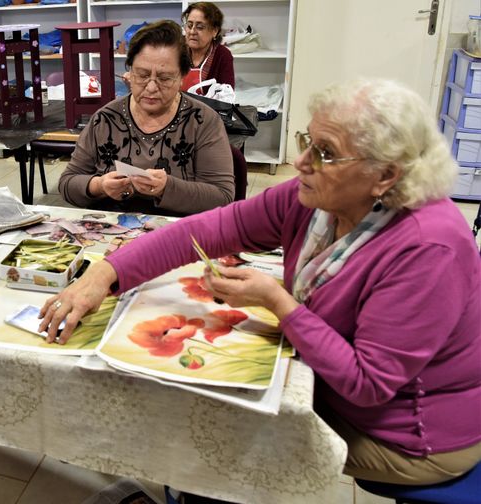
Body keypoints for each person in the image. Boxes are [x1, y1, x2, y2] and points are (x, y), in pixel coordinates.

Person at [41, 78, 481, 487]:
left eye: (325, 153)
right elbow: (207, 230)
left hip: (406, 432)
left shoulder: (428, 248)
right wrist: (105, 272)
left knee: (214, 437)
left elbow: (367, 383)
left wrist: (278, 302)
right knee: (197, 407)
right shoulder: (316, 197)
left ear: (385, 175)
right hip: (329, 384)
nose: (301, 162)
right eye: (307, 140)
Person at [58, 20, 234, 217]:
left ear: (182, 77)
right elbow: (67, 183)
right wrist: (98, 185)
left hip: (178, 234)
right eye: (141, 75)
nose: (151, 87)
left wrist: (167, 188)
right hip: (112, 233)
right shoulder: (106, 119)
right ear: (130, 72)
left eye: (165, 78)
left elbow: (223, 196)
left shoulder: (202, 121)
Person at [179, 2, 234, 94]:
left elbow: (226, 97)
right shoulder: (177, 49)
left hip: (209, 108)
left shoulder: (222, 55)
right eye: (189, 25)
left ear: (214, 31)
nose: (192, 31)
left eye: (200, 27)